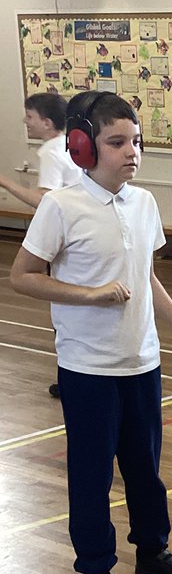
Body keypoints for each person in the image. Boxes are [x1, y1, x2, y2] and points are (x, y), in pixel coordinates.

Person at [10, 91, 172, 574]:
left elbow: (145, 278)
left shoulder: (143, 203)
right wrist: (90, 294)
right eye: (117, 142)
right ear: (84, 146)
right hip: (87, 370)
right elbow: (23, 276)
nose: (132, 152)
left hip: (142, 364)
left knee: (145, 471)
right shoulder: (61, 206)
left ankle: (152, 553)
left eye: (136, 141)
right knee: (91, 476)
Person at [0, 93, 84, 398]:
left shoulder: (51, 150)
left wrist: (6, 183)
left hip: (64, 237)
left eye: (30, 116)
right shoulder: (71, 145)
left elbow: (45, 199)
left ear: (47, 122)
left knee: (63, 306)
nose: (26, 121)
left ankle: (70, 377)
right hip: (79, 232)